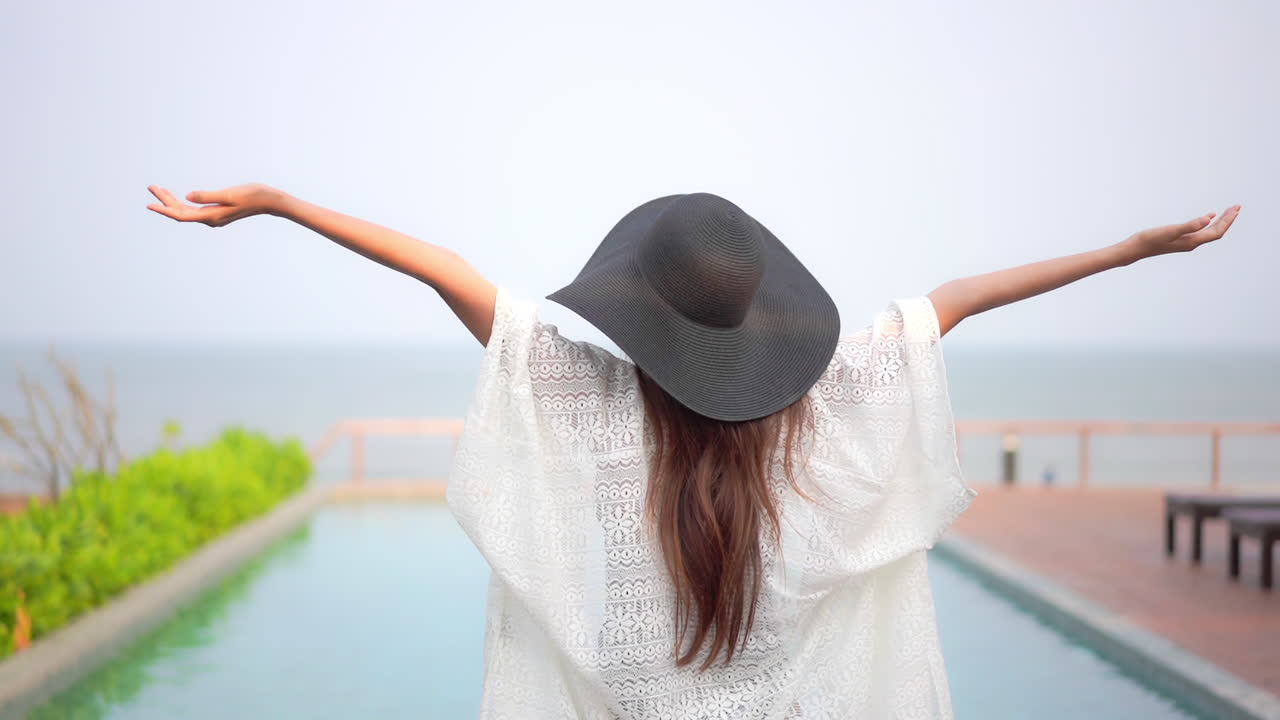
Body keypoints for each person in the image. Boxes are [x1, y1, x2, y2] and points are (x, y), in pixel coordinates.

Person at [146, 184, 1241, 719]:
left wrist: (281, 206)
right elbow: (952, 302)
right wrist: (1124, 250)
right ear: (758, 322)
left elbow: (448, 273)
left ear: (641, 312)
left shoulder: (588, 396)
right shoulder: (815, 409)